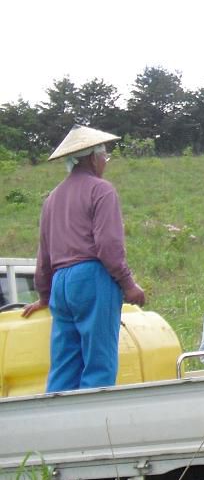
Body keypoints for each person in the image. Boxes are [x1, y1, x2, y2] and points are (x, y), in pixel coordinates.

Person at [21, 125, 147, 392]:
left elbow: (43, 254)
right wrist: (128, 285)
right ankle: (94, 426)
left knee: (65, 364)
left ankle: (58, 424)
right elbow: (108, 247)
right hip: (92, 276)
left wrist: (44, 295)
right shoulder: (101, 190)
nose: (105, 163)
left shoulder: (51, 199)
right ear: (92, 157)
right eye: (105, 157)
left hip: (61, 285)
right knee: (99, 362)